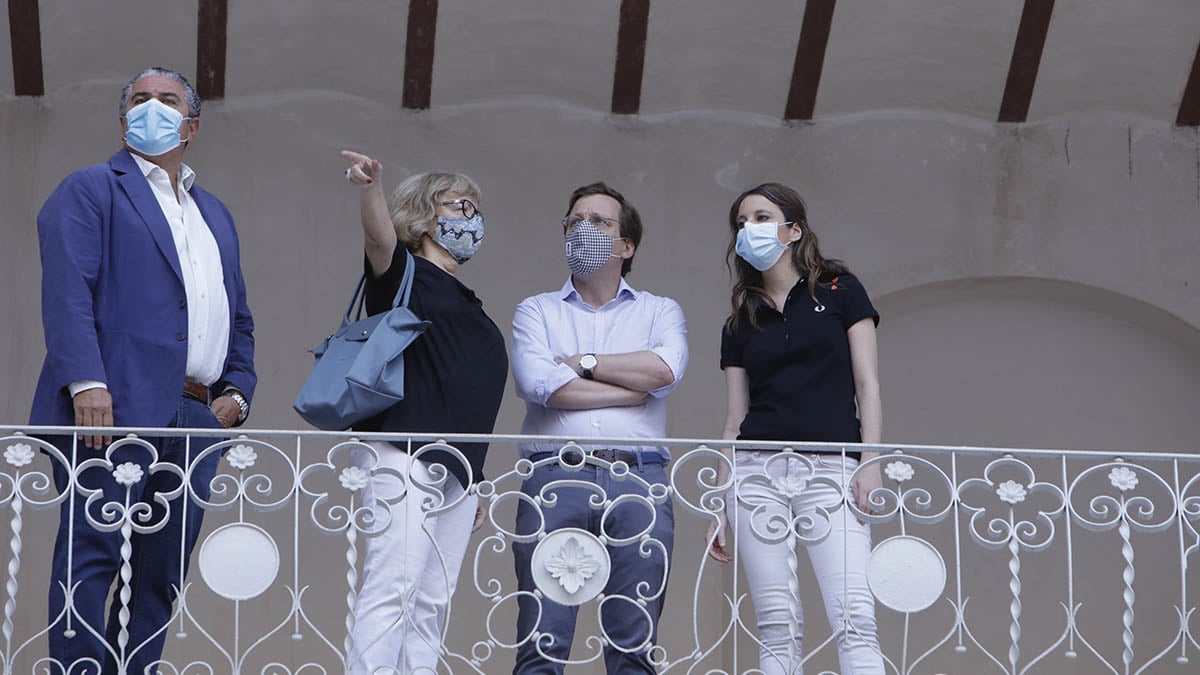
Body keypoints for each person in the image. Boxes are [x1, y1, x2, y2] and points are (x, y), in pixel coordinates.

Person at [30, 66, 256, 674]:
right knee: (91, 556)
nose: (151, 108)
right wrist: (88, 383)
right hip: (111, 402)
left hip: (196, 415)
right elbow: (67, 292)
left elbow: (235, 313)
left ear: (192, 125)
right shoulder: (92, 187)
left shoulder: (214, 214)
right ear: (123, 115)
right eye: (139, 99)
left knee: (160, 574)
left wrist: (236, 392)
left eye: (167, 100)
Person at [339, 152, 507, 674]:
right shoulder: (405, 273)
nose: (471, 219)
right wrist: (371, 188)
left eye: (476, 210)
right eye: (461, 206)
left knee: (432, 602)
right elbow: (378, 241)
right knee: (393, 589)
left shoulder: (466, 297)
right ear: (424, 213)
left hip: (456, 472)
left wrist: (474, 478)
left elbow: (459, 392)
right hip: (402, 458)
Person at [510, 182, 688, 674]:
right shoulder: (536, 310)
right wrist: (628, 390)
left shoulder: (660, 310)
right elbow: (542, 384)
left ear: (626, 246)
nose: (583, 229)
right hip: (554, 478)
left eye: (601, 222)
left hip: (640, 481)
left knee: (633, 647)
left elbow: (663, 373)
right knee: (541, 644)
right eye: (574, 221)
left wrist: (583, 362)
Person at [706, 182, 884, 674]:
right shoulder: (740, 320)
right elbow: (734, 419)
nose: (749, 229)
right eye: (742, 223)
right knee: (777, 625)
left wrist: (870, 463)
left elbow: (868, 386)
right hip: (756, 473)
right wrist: (721, 502)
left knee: (855, 615)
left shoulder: (842, 290)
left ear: (794, 229)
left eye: (762, 218)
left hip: (832, 469)